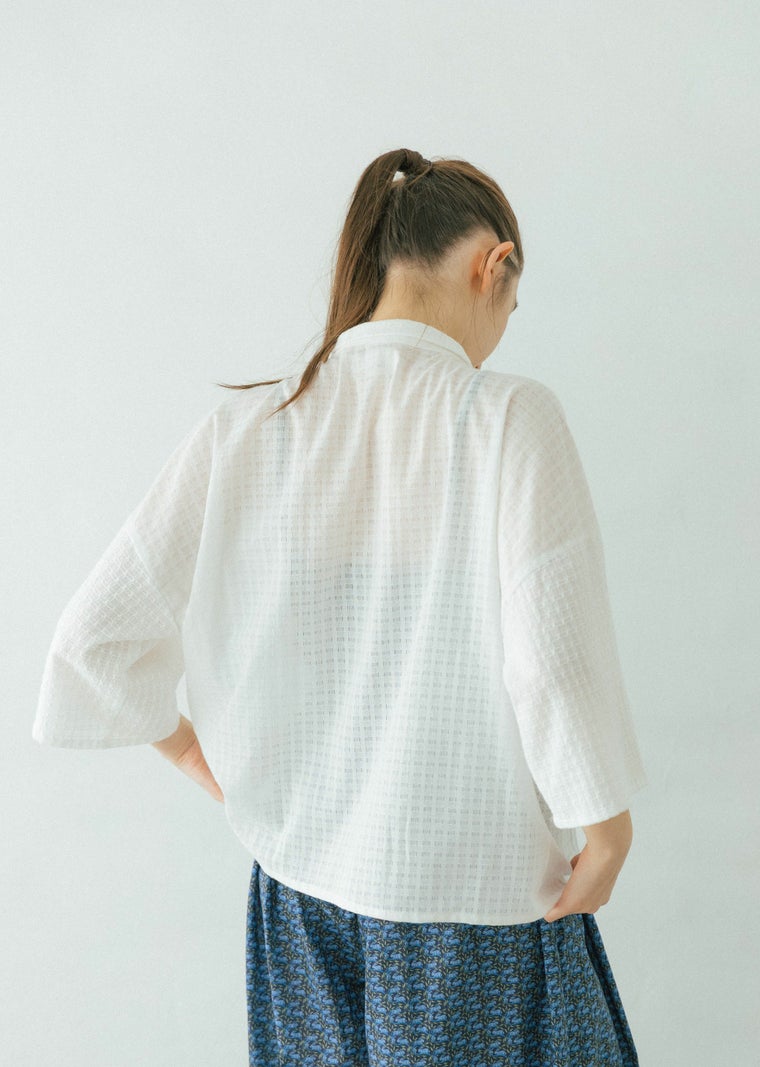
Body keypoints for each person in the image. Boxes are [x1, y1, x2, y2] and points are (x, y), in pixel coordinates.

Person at [33, 147, 649, 1066]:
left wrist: (195, 752)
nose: (497, 339)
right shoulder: (507, 417)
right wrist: (606, 829)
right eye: (509, 310)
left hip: (296, 896)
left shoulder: (250, 426)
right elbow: (552, 657)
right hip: (468, 908)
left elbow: (95, 640)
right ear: (494, 266)